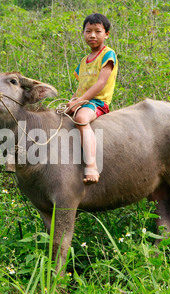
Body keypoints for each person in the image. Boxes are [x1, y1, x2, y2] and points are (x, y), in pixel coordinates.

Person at [67, 13, 118, 184]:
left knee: (81, 118)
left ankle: (91, 165)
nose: (92, 35)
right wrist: (72, 101)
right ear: (83, 33)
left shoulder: (108, 54)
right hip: (83, 100)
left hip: (97, 103)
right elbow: (81, 87)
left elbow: (100, 83)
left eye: (98, 31)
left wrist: (80, 101)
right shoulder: (83, 61)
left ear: (107, 34)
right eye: (88, 31)